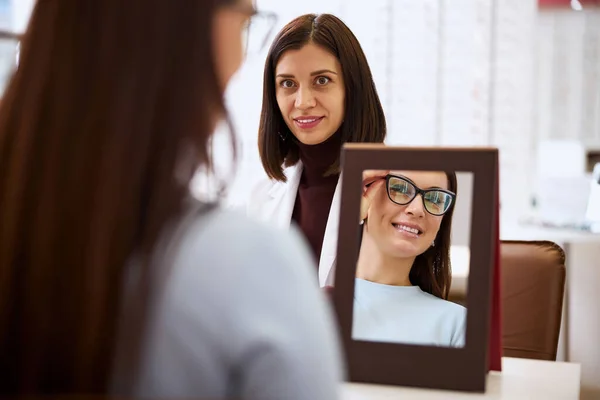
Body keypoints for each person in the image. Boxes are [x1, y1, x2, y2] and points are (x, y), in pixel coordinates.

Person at [0, 1, 343, 399]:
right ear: (193, 29)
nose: (302, 100)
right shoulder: (246, 262)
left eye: (322, 81)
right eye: (246, 21)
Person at [247, 13, 387, 287]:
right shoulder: (260, 197)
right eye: (288, 84)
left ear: (352, 87)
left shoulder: (394, 188)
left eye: (321, 80)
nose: (303, 102)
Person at [353, 170, 466, 348]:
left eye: (435, 199)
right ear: (366, 195)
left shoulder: (457, 323)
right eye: (400, 188)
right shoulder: (316, 295)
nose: (417, 210)